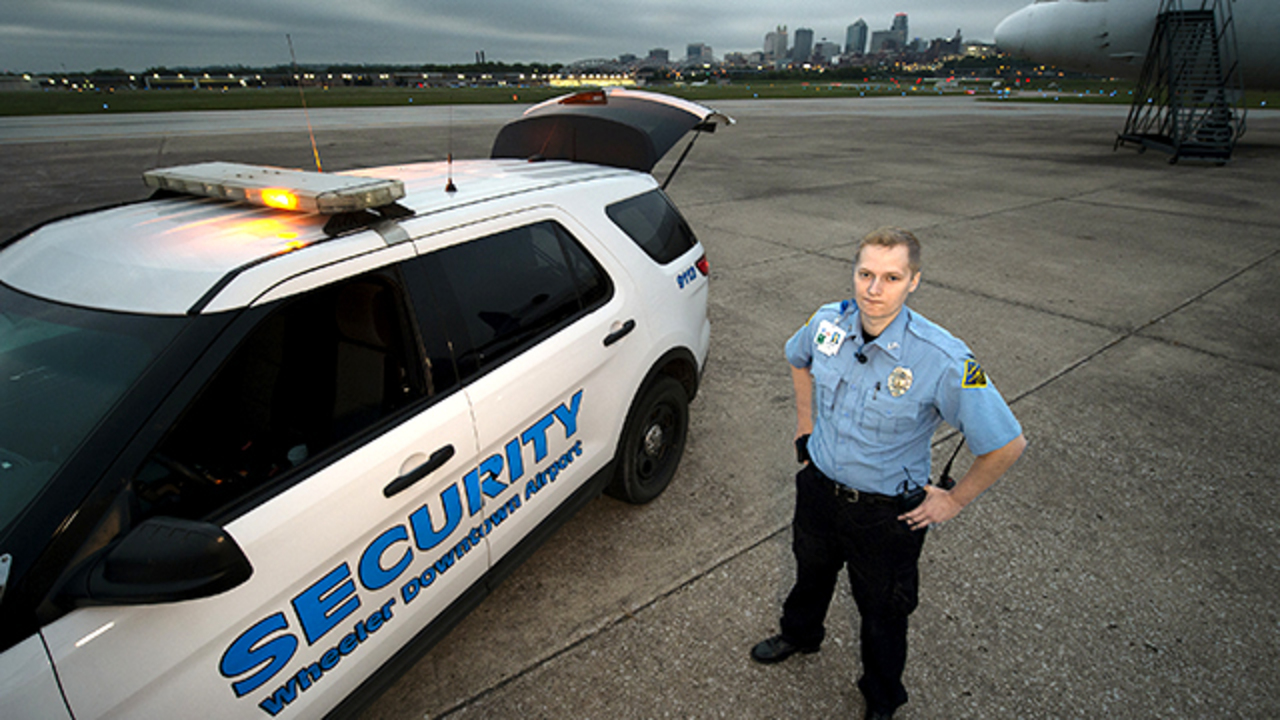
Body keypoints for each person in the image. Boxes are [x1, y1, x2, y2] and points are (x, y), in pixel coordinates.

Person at [750, 226, 1027, 720]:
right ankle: (800, 635)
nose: (873, 290)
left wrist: (954, 499)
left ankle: (881, 698)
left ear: (913, 281)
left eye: (891, 277)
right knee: (810, 573)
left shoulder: (946, 358)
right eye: (865, 274)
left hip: (884, 516)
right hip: (819, 490)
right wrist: (805, 426)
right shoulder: (826, 323)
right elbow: (797, 358)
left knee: (883, 613)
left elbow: (1007, 443)